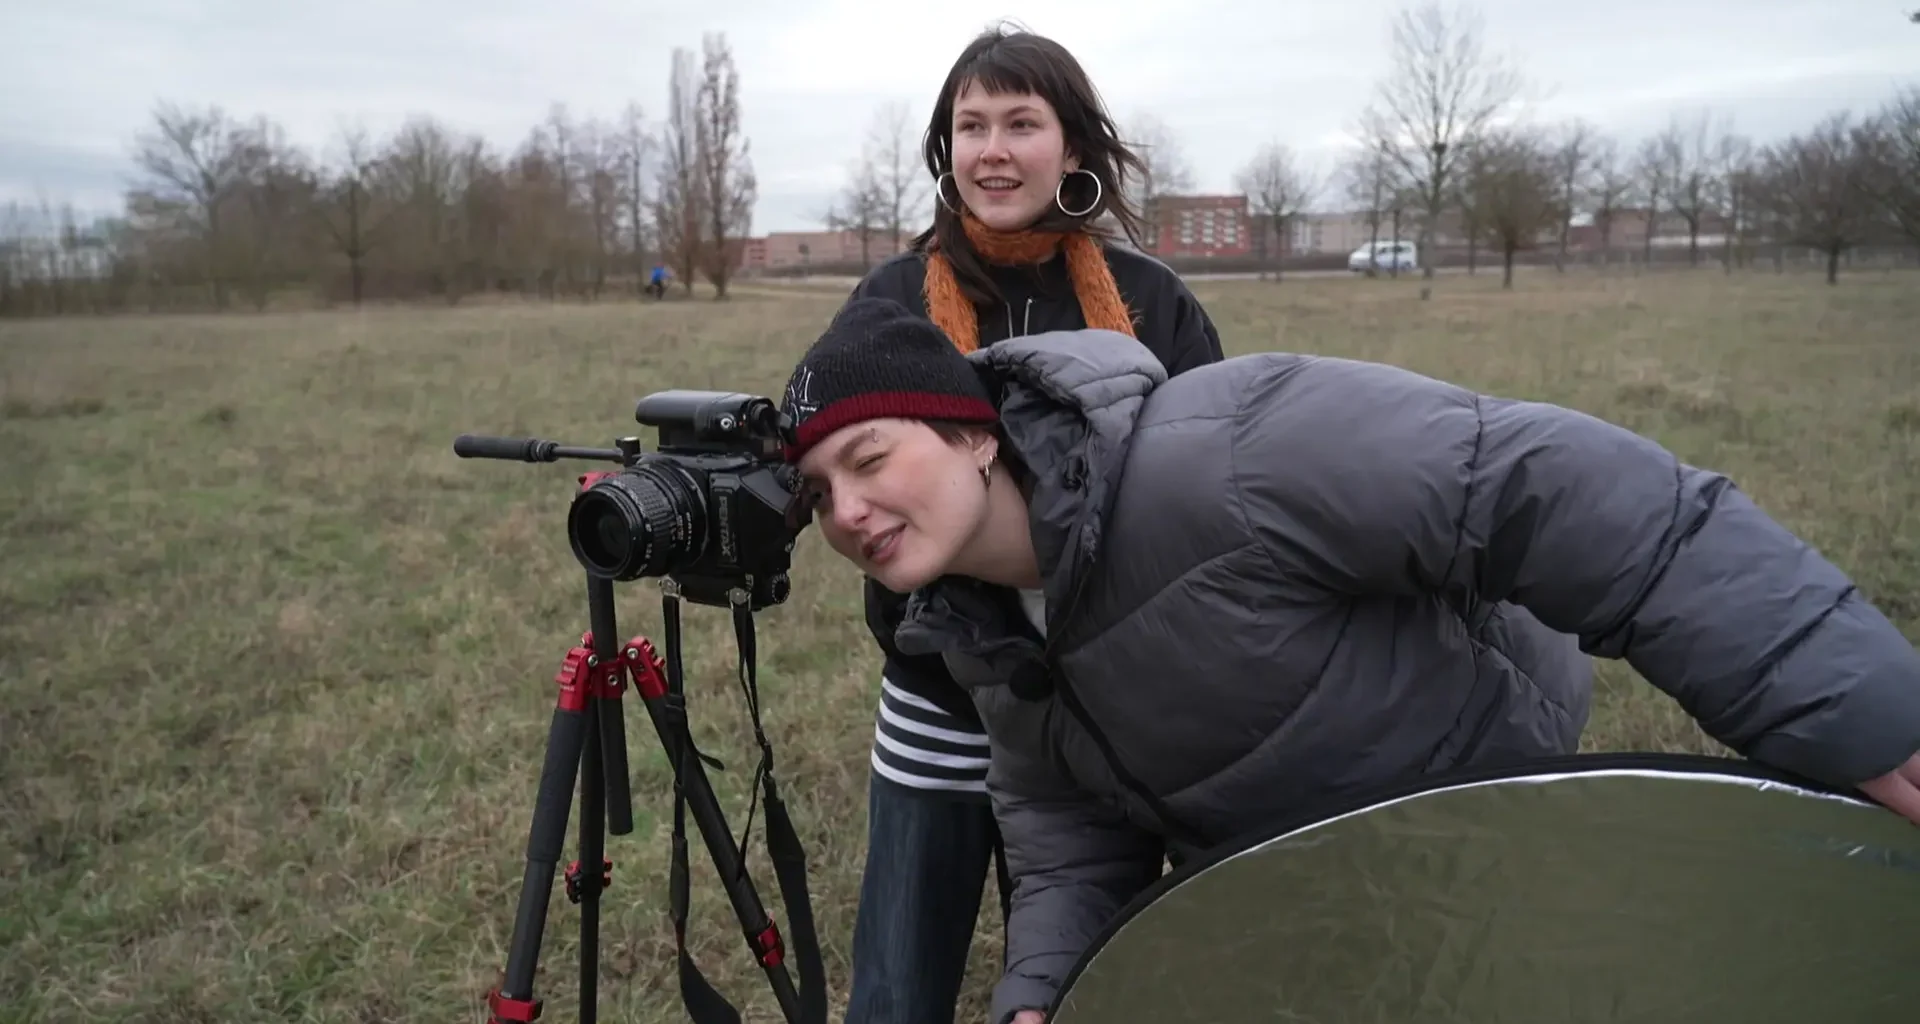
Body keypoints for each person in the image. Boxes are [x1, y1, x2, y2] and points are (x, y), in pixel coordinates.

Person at [779, 297, 1920, 1024]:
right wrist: (1040, 997)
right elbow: (1073, 844)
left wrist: (1857, 707)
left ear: (973, 431)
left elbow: (1567, 496)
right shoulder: (976, 635)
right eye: (819, 492)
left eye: (871, 456)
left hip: (1499, 836)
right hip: (1314, 899)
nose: (850, 510)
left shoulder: (1229, 452)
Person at [824, 24, 1226, 1024]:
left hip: (1108, 709)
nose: (992, 148)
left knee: (1085, 982)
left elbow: (1212, 492)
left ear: (1074, 148)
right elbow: (843, 477)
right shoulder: (889, 305)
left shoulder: (1151, 303)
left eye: (1020, 121)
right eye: (970, 125)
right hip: (941, 696)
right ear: (944, 149)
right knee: (897, 985)